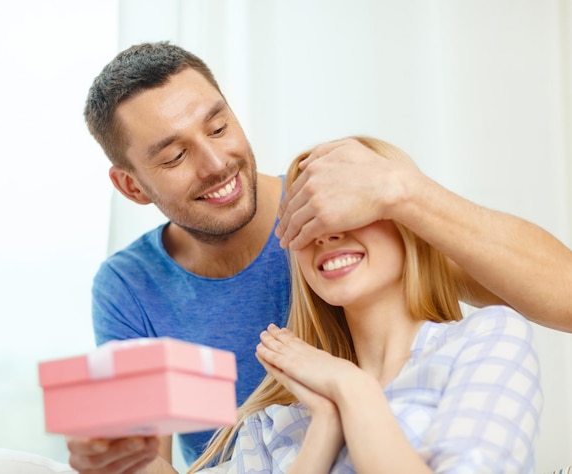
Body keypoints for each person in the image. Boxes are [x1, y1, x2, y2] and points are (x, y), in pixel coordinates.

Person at [67, 41, 570, 473]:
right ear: (131, 186)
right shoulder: (130, 289)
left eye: (218, 127)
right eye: (174, 156)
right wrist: (119, 460)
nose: (216, 164)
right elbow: (148, 460)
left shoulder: (345, 215)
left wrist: (403, 191)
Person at [183, 136, 543, 473]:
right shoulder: (269, 426)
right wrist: (325, 424)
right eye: (305, 215)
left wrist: (354, 390)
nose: (325, 231)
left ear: (410, 220)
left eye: (349, 206)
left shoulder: (486, 341)